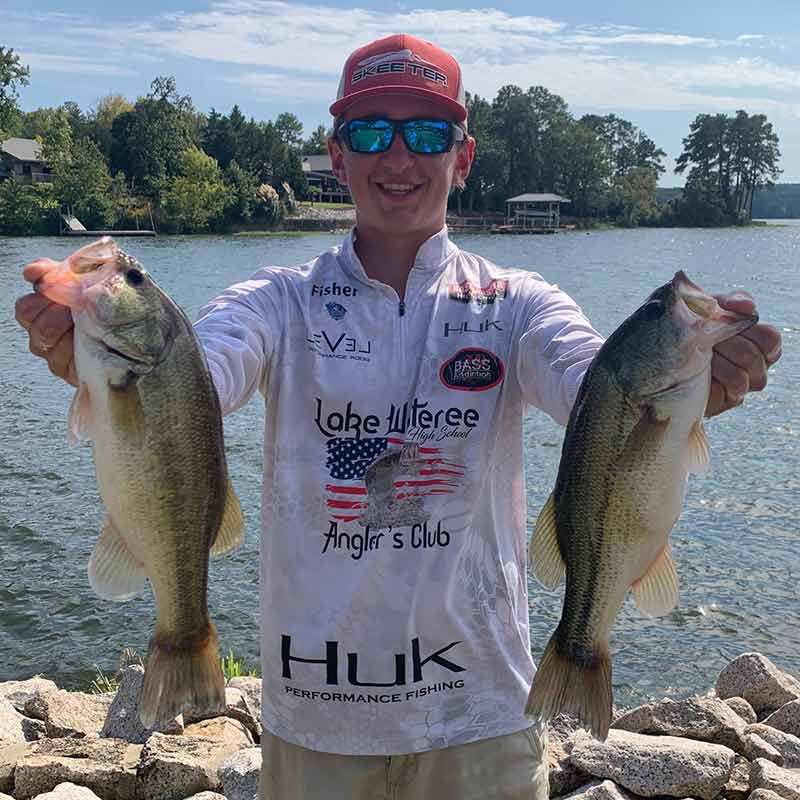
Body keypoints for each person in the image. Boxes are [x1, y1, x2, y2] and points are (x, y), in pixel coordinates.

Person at [15, 33, 782, 800]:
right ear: (338, 155)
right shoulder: (276, 300)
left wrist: (685, 383)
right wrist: (108, 365)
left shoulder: (519, 304)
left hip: (481, 715)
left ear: (463, 157)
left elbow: (591, 382)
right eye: (372, 131)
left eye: (427, 133)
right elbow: (202, 374)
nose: (399, 155)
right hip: (318, 720)